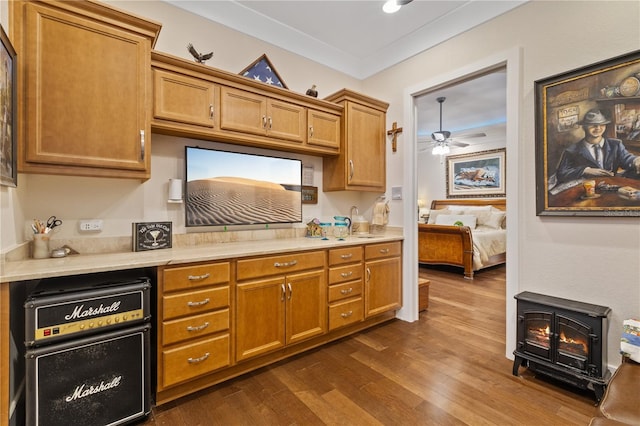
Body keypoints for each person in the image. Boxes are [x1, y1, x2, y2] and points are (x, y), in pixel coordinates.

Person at [555, 108, 640, 183]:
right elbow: (561, 174)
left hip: (611, 186)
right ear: (584, 127)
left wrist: (635, 160)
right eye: (593, 125)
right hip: (585, 189)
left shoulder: (615, 145)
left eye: (601, 124)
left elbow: (626, 158)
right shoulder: (572, 150)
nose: (598, 128)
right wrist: (586, 170)